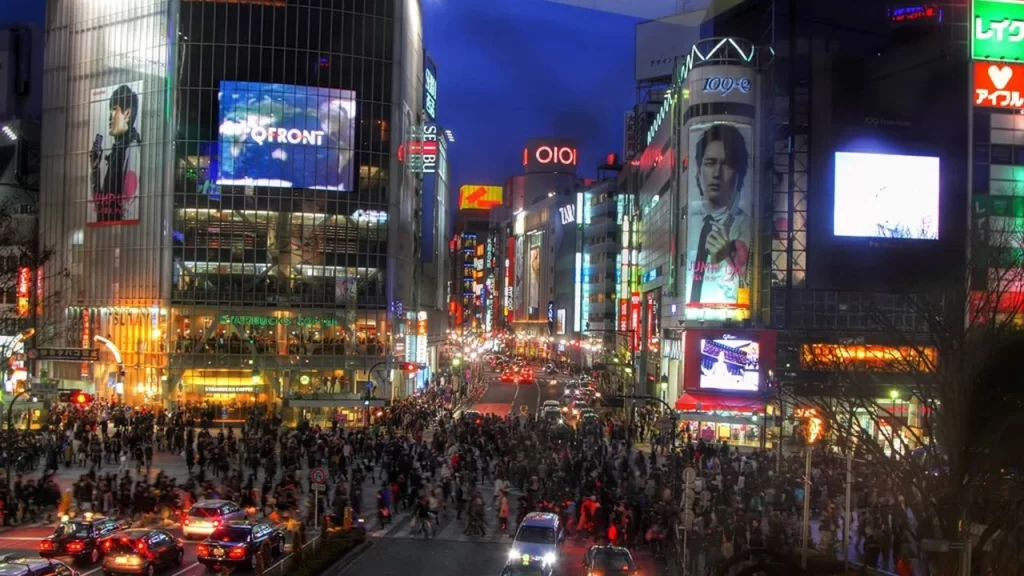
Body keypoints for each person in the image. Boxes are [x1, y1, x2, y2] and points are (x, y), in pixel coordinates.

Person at [687, 123, 751, 305]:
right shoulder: (688, 223)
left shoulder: (746, 227)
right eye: (709, 163)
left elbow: (743, 296)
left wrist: (724, 260)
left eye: (727, 165)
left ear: (738, 175)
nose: (716, 173)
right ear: (699, 171)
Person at [90, 84, 141, 223]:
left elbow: (129, 206)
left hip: (120, 237)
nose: (109, 117)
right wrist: (95, 168)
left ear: (127, 113)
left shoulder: (131, 149)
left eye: (113, 110)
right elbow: (101, 207)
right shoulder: (116, 152)